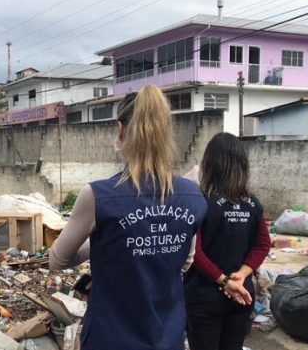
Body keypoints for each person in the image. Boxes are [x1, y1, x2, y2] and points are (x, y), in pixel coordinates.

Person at [49, 85, 208, 350]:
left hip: (110, 337)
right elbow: (186, 262)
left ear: (120, 130)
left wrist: (105, 241)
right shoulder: (192, 195)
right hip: (166, 336)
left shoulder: (98, 196)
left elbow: (58, 258)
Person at [184, 132, 271, 350]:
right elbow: (263, 244)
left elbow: (196, 252)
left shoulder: (200, 201)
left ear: (210, 163)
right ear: (243, 164)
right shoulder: (252, 203)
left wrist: (225, 281)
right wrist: (241, 276)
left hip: (204, 296)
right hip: (242, 295)